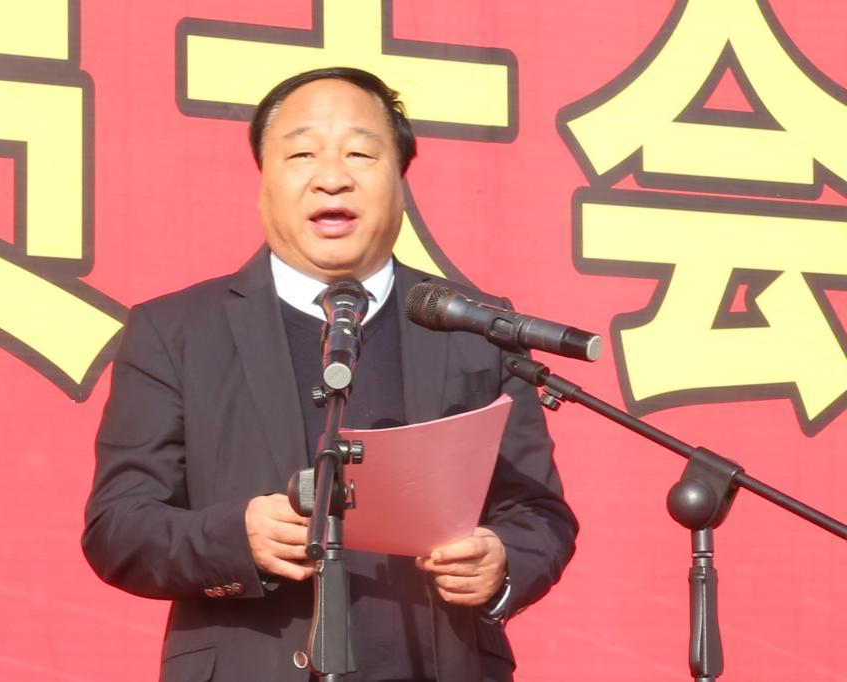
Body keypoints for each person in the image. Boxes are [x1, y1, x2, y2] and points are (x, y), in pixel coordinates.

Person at [82, 66, 577, 682]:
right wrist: (237, 537)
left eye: (360, 154)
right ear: (262, 180)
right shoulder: (175, 332)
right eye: (302, 154)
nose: (333, 177)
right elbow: (118, 528)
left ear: (402, 181)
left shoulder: (476, 327)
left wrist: (501, 562)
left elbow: (538, 512)